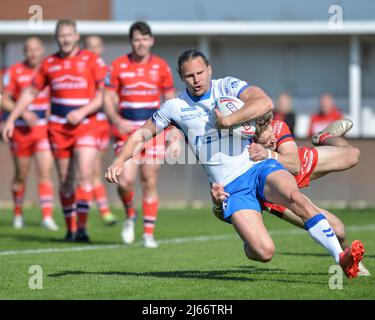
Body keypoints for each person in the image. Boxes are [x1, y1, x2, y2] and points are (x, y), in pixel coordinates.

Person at [105, 49, 365, 279]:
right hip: (231, 187)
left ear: (209, 69)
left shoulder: (226, 87)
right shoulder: (175, 107)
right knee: (264, 252)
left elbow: (264, 102)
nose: (196, 80)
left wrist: (229, 121)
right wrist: (119, 160)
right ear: (181, 77)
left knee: (292, 195)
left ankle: (339, 257)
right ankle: (246, 227)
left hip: (257, 167)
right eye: (189, 76)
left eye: (200, 72)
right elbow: (141, 134)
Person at [211, 115, 370, 276]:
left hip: (289, 165)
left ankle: (324, 137)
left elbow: (294, 165)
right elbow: (223, 210)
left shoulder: (277, 127)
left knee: (353, 154)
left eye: (272, 135)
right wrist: (217, 204)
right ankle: (351, 261)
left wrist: (268, 153)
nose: (273, 141)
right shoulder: (237, 159)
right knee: (338, 230)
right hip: (271, 190)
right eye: (267, 141)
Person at [2, 20, 107, 242]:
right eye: (61, 36)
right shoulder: (49, 63)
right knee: (65, 180)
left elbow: (102, 94)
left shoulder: (92, 60)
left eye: (69, 35)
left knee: (83, 174)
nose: (66, 39)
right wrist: (12, 118)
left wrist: (82, 111)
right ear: (57, 38)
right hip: (58, 128)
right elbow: (30, 93)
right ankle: (70, 229)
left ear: (76, 36)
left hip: (86, 124)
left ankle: (82, 228)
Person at [104, 21, 176, 248]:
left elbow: (171, 102)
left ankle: (148, 234)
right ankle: (129, 215)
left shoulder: (161, 67)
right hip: (126, 132)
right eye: (137, 39)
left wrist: (174, 134)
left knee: (149, 180)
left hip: (153, 131)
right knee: (124, 181)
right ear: (131, 41)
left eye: (145, 39)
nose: (141, 43)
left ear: (151, 41)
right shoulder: (117, 65)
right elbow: (107, 97)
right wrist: (116, 120)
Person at [1, 37, 58, 230]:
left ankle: (47, 217)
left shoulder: (50, 69)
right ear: (25, 52)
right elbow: (3, 98)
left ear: (42, 50)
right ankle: (18, 214)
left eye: (36, 49)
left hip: (43, 129)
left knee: (45, 171)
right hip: (21, 130)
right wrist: (23, 112)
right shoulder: (14, 71)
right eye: (29, 50)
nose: (33, 53)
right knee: (21, 174)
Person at [84, 35, 117, 225]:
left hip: (100, 125)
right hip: (81, 125)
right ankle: (101, 211)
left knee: (92, 170)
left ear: (102, 48)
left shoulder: (106, 70)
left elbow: (111, 96)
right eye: (89, 47)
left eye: (96, 47)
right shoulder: (81, 68)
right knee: (87, 171)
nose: (93, 51)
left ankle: (95, 212)